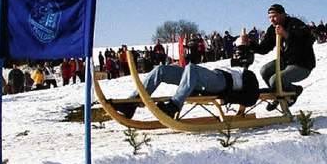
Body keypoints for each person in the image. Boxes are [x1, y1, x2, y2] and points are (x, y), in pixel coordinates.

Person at [110, 47, 260, 119]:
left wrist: (234, 103)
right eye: (235, 53)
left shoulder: (248, 74)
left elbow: (251, 96)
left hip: (221, 83)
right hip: (207, 78)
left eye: (238, 55)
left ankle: (174, 106)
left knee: (192, 68)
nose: (235, 56)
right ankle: (132, 104)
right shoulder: (228, 65)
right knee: (161, 70)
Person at [248, 4, 315, 111]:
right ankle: (280, 95)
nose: (271, 20)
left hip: (301, 64)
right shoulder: (272, 29)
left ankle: (292, 92)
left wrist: (287, 35)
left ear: (282, 14)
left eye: (274, 16)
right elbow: (264, 48)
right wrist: (249, 44)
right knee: (265, 71)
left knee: (275, 80)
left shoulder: (295, 24)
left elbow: (308, 40)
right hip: (285, 62)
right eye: (269, 17)